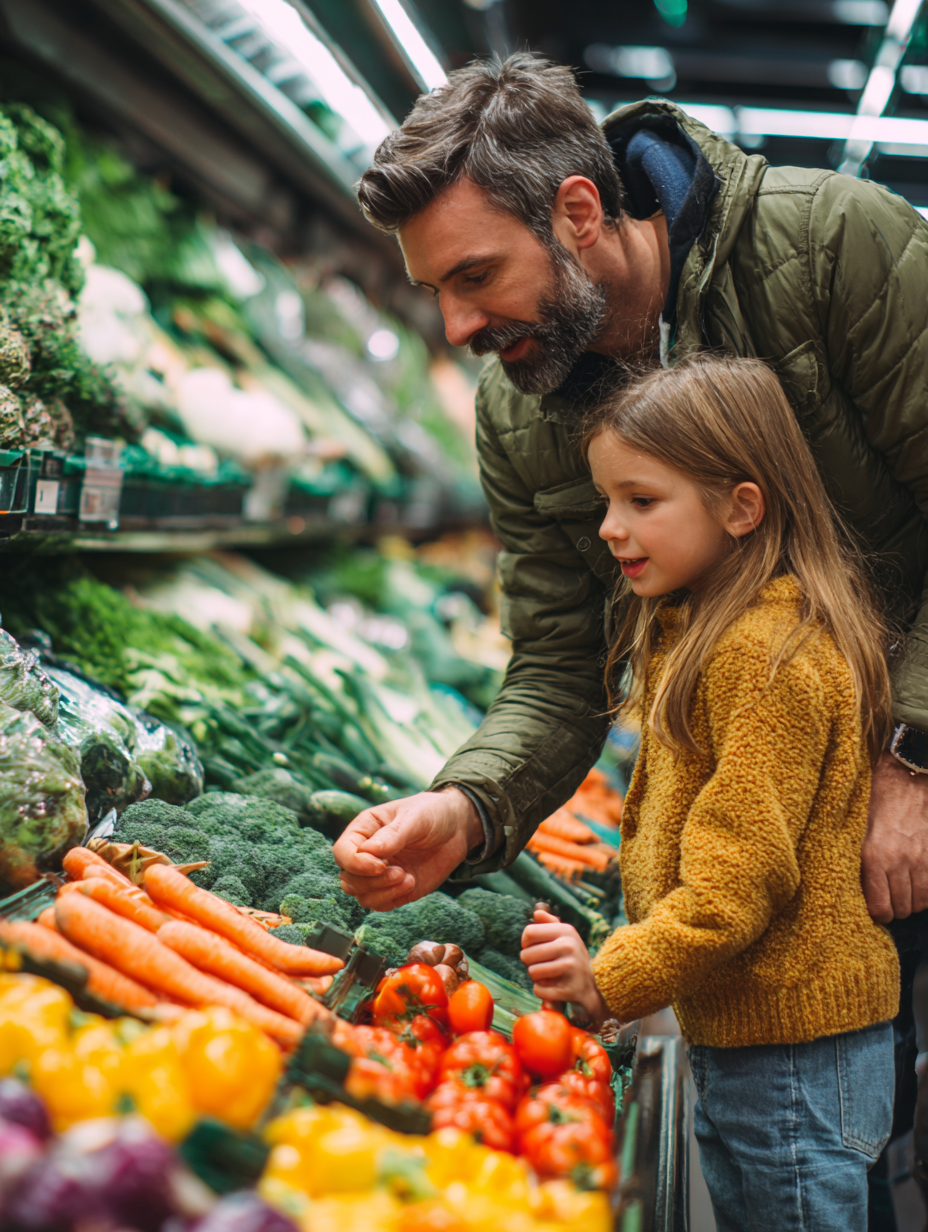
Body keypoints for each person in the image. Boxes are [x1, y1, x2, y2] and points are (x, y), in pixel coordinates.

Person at [333, 55, 928, 1211]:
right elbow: (560, 660)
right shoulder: (522, 407)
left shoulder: (832, 250)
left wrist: (911, 754)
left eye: (474, 275)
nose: (456, 324)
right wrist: (471, 804)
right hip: (767, 897)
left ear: (577, 212)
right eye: (434, 293)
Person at [520, 353, 899, 1231]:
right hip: (764, 1038)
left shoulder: (759, 657)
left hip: (796, 1057)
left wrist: (609, 977)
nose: (611, 527)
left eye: (641, 502)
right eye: (607, 500)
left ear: (741, 507)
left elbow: (737, 885)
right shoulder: (716, 627)